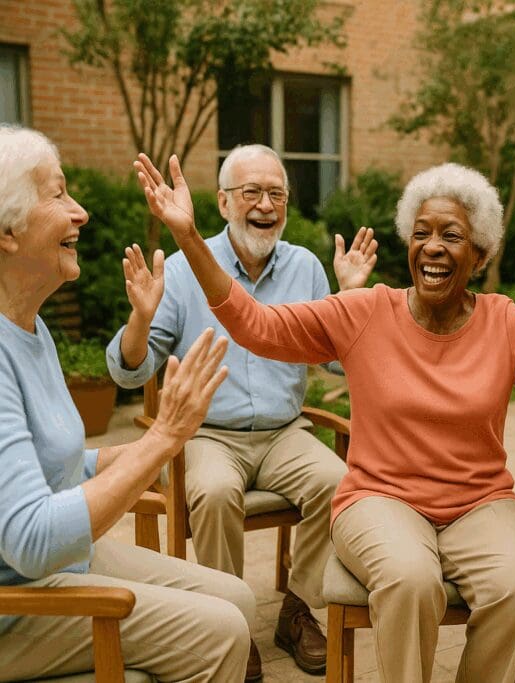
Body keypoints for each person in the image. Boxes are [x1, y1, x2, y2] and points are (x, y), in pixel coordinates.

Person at [134, 153, 515, 683]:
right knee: (410, 582)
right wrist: (188, 234)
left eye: (452, 236)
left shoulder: (505, 321)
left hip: (479, 502)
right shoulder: (365, 311)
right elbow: (255, 325)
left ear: (480, 254)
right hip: (379, 498)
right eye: (422, 233)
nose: (433, 246)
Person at [105, 143, 377, 680]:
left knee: (340, 482)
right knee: (213, 491)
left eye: (276, 193)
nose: (265, 205)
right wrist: (139, 321)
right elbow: (130, 372)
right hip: (206, 433)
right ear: (224, 203)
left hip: (284, 432)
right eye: (251, 192)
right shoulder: (184, 271)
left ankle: (297, 609)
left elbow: (340, 365)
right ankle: (227, 621)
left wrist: (352, 301)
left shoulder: (304, 267)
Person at [0, 124, 254, 682]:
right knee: (223, 633)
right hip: (17, 604)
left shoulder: (30, 327)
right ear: (8, 233)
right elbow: (29, 541)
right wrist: (162, 439)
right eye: (58, 194)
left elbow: (56, 468)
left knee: (239, 597)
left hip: (63, 563)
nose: (81, 211)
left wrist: (151, 449)